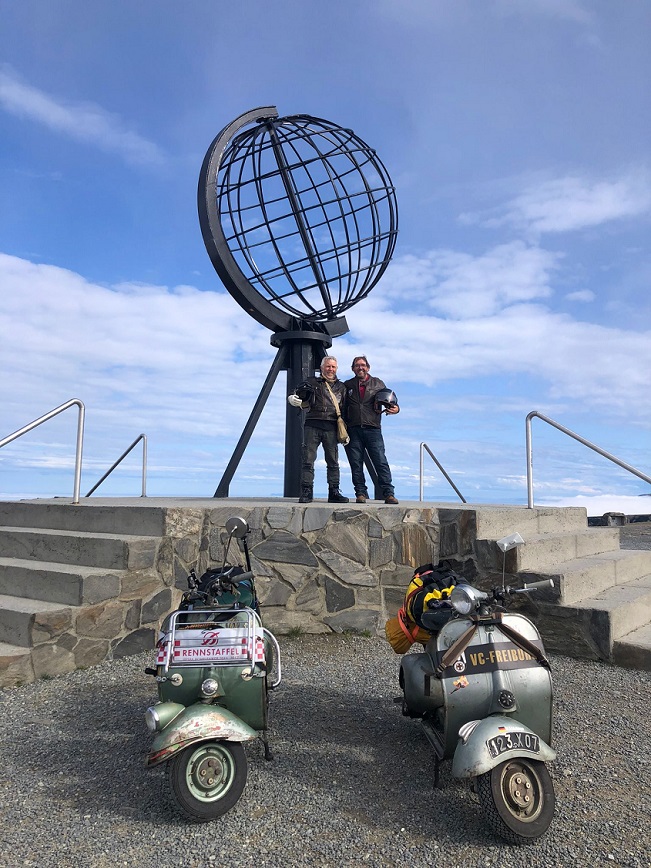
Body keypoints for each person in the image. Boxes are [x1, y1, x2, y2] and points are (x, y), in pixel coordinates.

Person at [287, 356, 349, 504]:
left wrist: (347, 431)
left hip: (332, 426)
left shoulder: (342, 387)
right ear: (321, 368)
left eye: (333, 367)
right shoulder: (311, 382)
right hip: (312, 424)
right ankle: (307, 491)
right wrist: (292, 397)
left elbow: (346, 409)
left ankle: (334, 492)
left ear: (336, 369)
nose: (330, 369)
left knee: (333, 461)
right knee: (307, 460)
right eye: (328, 366)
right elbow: (297, 392)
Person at [343, 355, 399, 504]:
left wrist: (396, 409)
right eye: (357, 365)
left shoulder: (378, 383)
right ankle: (361, 493)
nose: (360, 368)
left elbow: (390, 400)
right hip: (353, 429)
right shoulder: (347, 385)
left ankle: (389, 493)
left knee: (380, 461)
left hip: (373, 429)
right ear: (352, 368)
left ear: (368, 367)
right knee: (356, 463)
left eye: (363, 365)